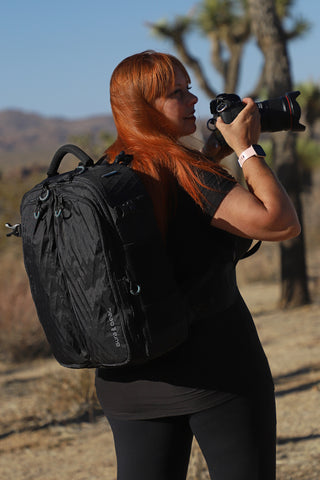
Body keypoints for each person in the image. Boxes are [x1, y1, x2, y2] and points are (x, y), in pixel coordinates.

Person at [95, 50, 301, 480]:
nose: (193, 101)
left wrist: (212, 155)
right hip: (215, 372)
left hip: (128, 383)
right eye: (177, 93)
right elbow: (279, 223)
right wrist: (246, 149)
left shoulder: (106, 171)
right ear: (144, 106)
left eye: (190, 88)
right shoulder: (185, 170)